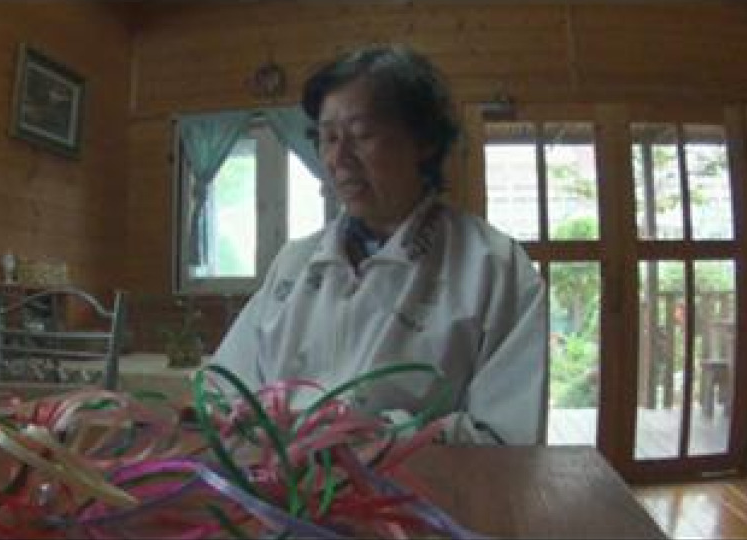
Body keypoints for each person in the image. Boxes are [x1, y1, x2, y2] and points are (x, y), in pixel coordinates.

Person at [210, 44, 546, 445]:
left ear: (424, 140)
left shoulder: (494, 267)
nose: (338, 158)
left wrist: (374, 437)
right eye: (328, 138)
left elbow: (507, 438)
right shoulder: (294, 263)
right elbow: (222, 389)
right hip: (281, 482)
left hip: (416, 485)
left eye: (361, 134)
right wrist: (246, 418)